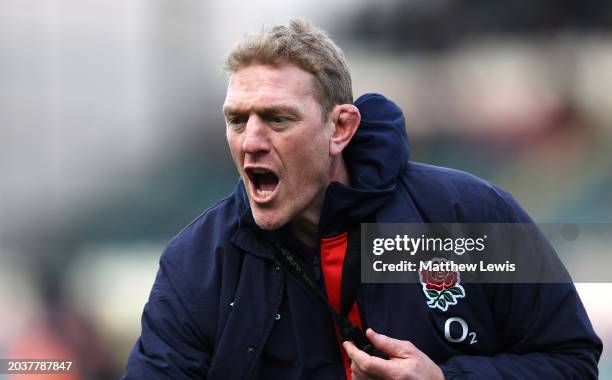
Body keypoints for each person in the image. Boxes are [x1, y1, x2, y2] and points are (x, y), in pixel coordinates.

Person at [123, 20, 602, 379]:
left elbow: (572, 361)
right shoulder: (196, 264)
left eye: (277, 119)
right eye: (236, 120)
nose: (250, 141)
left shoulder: (469, 216)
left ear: (341, 128)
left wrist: (447, 379)